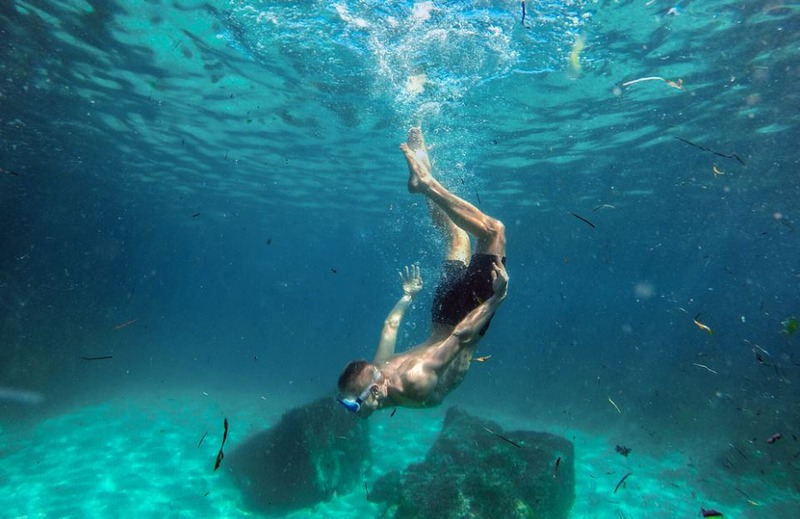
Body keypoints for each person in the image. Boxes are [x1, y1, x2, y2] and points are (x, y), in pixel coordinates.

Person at [336, 127, 508, 418]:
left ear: (374, 392)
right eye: (347, 403)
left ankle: (426, 183)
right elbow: (390, 326)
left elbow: (462, 337)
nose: (349, 410)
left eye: (353, 404)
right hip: (442, 311)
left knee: (493, 231)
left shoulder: (414, 383)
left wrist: (497, 299)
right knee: (457, 237)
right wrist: (407, 297)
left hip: (467, 315)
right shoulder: (380, 368)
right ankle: (421, 163)